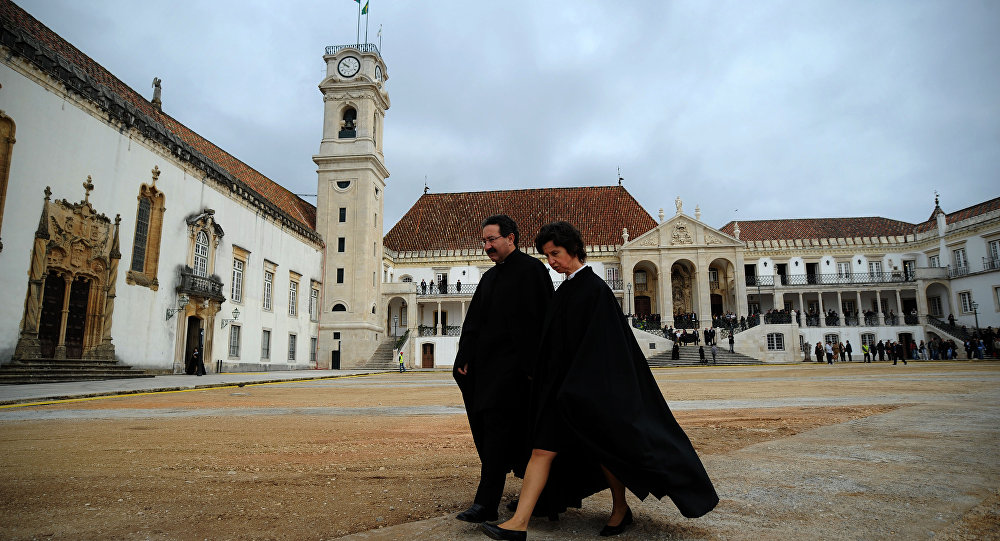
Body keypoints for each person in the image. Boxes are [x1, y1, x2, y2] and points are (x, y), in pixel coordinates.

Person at [481, 221, 717, 540]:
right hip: (558, 393)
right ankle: (519, 523)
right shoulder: (565, 289)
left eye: (556, 253)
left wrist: (581, 385)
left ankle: (620, 508)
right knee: (541, 452)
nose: (551, 261)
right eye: (547, 255)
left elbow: (604, 348)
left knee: (607, 453)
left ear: (574, 250)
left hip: (585, 393)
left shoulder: (595, 290)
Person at [453, 215, 554, 524]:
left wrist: (532, 369)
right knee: (497, 436)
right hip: (489, 374)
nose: (487, 246)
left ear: (511, 238)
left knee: (514, 438)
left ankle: (488, 503)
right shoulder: (490, 278)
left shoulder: (533, 271)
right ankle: (541, 501)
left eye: (491, 240)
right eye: (484, 241)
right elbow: (474, 322)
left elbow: (544, 323)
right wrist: (464, 358)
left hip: (518, 377)